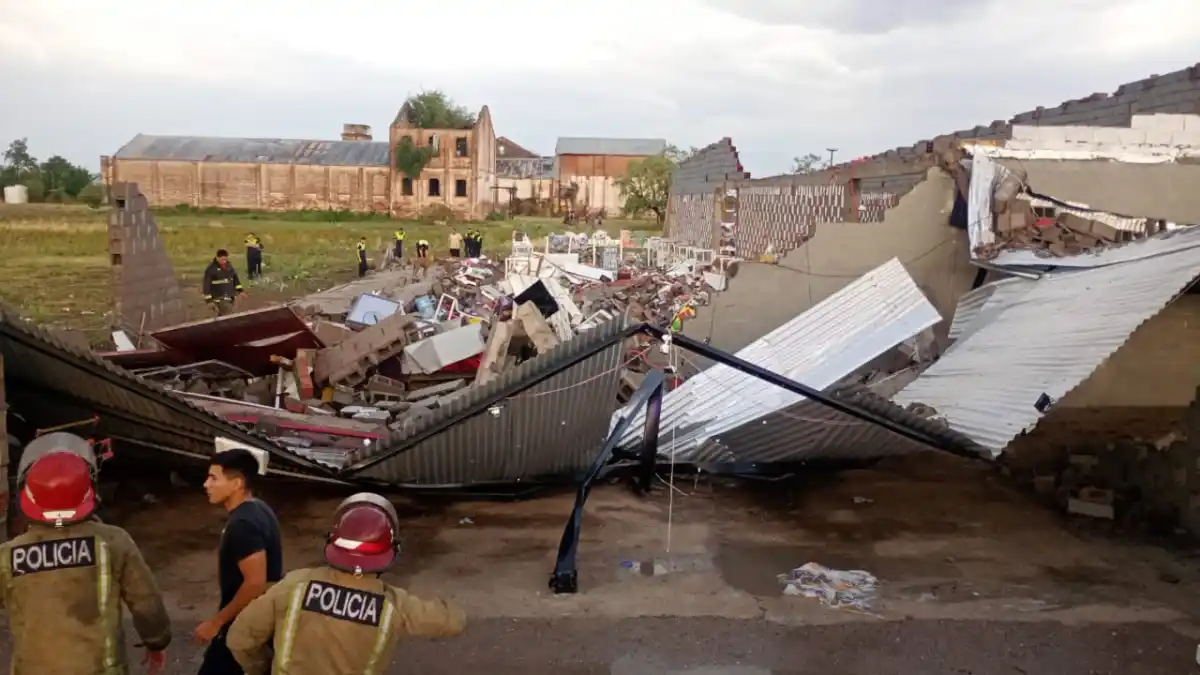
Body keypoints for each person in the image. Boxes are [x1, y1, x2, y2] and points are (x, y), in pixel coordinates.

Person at [227, 493, 465, 674]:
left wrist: (260, 668)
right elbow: (453, 621)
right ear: (390, 551)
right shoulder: (394, 606)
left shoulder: (295, 586)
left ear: (333, 542)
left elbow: (239, 639)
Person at [0, 432, 172, 675]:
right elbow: (147, 603)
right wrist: (157, 642)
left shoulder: (8, 555)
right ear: (89, 490)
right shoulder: (113, 541)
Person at [196, 449, 284, 675]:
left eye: (214, 478)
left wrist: (217, 622)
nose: (206, 484)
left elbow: (255, 582)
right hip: (257, 624)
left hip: (242, 627)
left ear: (237, 484)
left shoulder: (242, 525)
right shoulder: (259, 508)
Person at [203, 249, 246, 317]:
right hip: (219, 297)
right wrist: (209, 301)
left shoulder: (229, 266)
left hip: (230, 296)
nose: (224, 261)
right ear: (217, 258)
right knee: (228, 314)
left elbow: (235, 278)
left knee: (224, 315)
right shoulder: (211, 269)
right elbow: (206, 286)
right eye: (222, 259)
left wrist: (241, 291)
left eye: (225, 259)